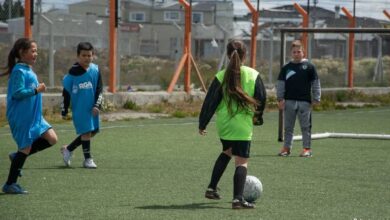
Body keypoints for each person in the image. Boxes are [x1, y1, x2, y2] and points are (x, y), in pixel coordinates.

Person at [198, 40, 266, 209]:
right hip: (242, 125)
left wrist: (203, 123)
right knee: (242, 161)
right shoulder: (253, 74)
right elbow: (261, 98)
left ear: (228, 56)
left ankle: (211, 188)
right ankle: (238, 199)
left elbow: (210, 101)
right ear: (245, 55)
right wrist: (257, 117)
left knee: (227, 151)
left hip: (224, 126)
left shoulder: (220, 76)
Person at [2, 38, 58, 194]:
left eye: (36, 51)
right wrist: (36, 90)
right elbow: (17, 93)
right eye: (33, 51)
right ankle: (10, 184)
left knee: (52, 138)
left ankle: (17, 156)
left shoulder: (27, 69)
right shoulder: (19, 71)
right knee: (25, 147)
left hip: (35, 117)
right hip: (22, 116)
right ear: (22, 52)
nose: (36, 54)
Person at [61, 42, 103, 169]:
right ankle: (87, 159)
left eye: (89, 55)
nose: (87, 58)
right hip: (80, 109)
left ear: (93, 55)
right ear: (78, 56)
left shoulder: (95, 70)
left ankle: (68, 149)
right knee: (86, 132)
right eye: (84, 55)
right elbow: (66, 93)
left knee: (93, 131)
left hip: (92, 109)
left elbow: (99, 89)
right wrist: (64, 110)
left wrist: (97, 105)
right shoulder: (72, 75)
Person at [277, 40, 321, 157]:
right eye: (294, 52)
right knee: (288, 127)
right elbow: (281, 84)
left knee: (305, 127)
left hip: (305, 103)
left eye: (299, 51)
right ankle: (286, 148)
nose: (296, 54)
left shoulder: (310, 67)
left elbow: (316, 83)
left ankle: (307, 149)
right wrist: (280, 99)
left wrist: (316, 98)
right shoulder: (286, 68)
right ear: (291, 53)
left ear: (303, 53)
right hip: (289, 102)